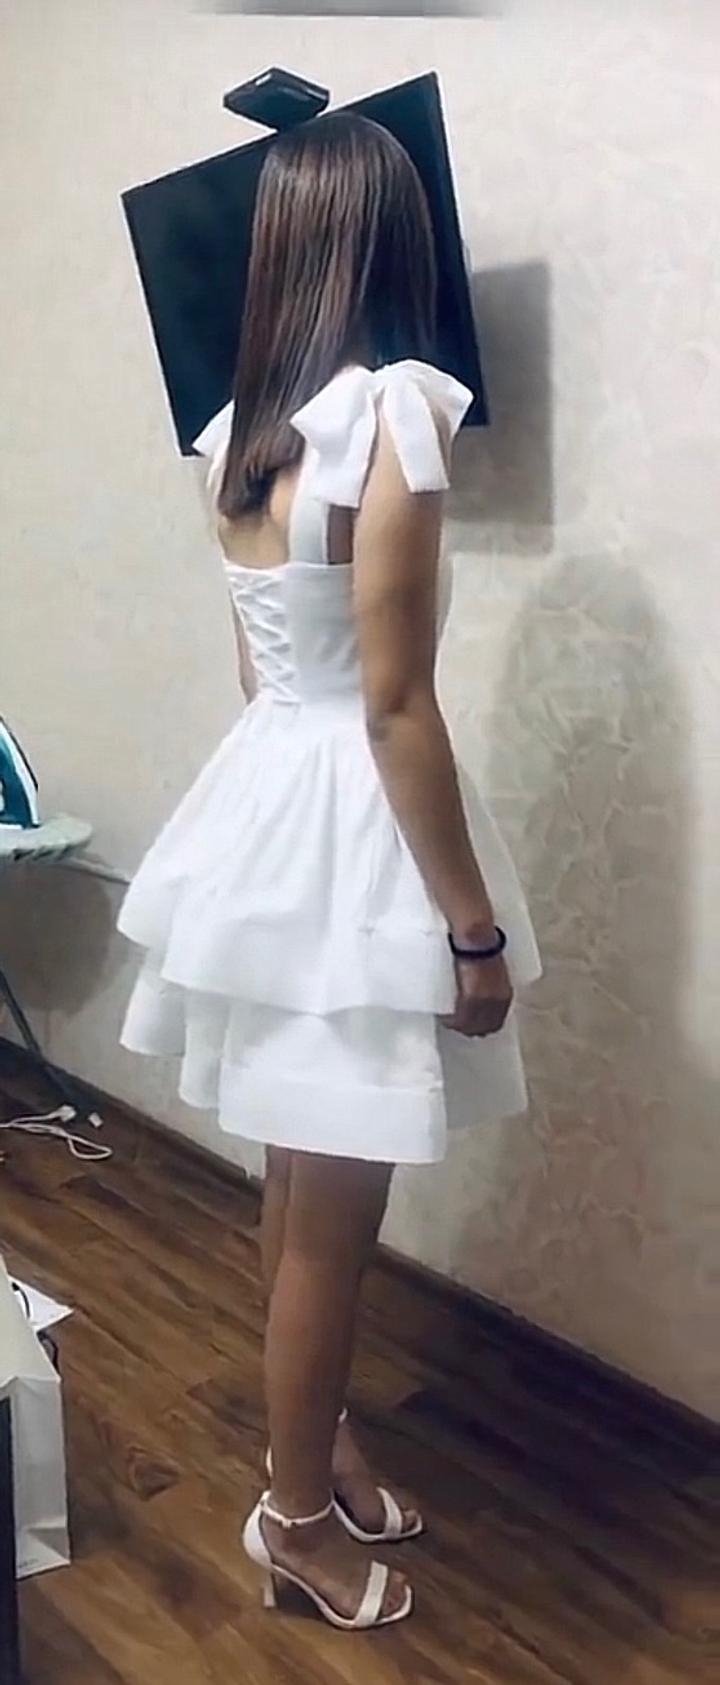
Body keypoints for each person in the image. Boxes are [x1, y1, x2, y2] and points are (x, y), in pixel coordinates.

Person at [117, 112, 540, 1631]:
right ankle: (291, 1517)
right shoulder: (398, 413)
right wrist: (472, 932)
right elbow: (398, 703)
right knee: (330, 1212)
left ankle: (320, 1436)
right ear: (392, 239)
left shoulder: (237, 435)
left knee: (297, 1180)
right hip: (359, 824)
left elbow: (263, 675)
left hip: (266, 807)